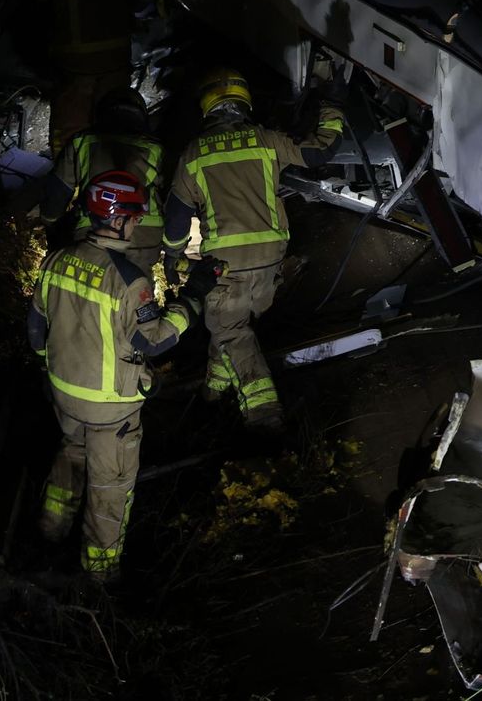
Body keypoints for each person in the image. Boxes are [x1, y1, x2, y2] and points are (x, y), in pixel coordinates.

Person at [27, 169, 219, 580]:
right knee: (109, 492)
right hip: (110, 412)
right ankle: (99, 580)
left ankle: (49, 530)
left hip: (64, 397)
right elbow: (154, 341)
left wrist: (50, 370)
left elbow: (36, 328)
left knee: (70, 459)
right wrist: (195, 297)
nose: (136, 223)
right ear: (117, 219)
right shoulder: (129, 280)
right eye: (134, 216)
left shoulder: (57, 260)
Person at [161, 67, 345, 431]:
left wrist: (172, 259)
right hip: (271, 261)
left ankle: (263, 415)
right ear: (244, 103)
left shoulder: (193, 155)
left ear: (207, 107)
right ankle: (214, 390)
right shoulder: (265, 139)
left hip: (224, 265)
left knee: (231, 331)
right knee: (233, 328)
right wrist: (333, 104)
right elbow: (320, 152)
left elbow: (176, 221)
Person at [37, 0, 153, 149]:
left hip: (74, 63)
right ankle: (115, 179)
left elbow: (39, 0)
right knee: (116, 129)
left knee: (70, 138)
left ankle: (70, 180)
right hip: (115, 58)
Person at [38, 87, 165, 270]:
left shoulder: (83, 141)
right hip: (144, 237)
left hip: (94, 228)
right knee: (135, 288)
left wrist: (50, 223)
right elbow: (170, 193)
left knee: (90, 283)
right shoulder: (156, 148)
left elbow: (59, 190)